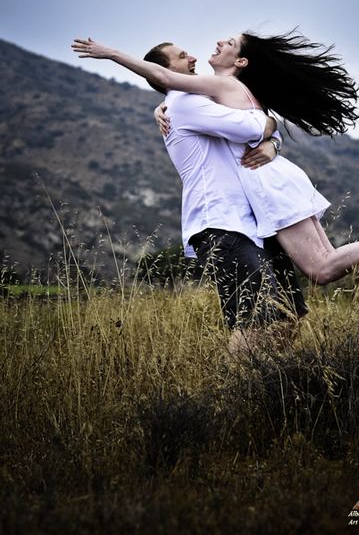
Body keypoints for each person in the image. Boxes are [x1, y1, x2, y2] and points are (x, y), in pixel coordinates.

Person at [72, 31, 359, 286]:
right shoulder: (221, 91)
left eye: (228, 44)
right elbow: (186, 96)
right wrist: (162, 106)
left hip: (268, 183)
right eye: (184, 54)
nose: (213, 45)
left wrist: (109, 53)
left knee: (322, 269)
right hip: (275, 175)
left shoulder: (220, 84)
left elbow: (171, 82)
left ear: (240, 62)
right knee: (323, 264)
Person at [72, 37, 308, 354]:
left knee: (288, 317)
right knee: (253, 322)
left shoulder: (196, 101)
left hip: (255, 223)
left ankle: (274, 390)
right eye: (183, 57)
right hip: (224, 225)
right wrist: (269, 123)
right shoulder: (185, 103)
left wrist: (273, 141)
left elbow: (258, 130)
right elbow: (251, 127)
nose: (193, 58)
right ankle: (234, 393)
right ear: (163, 72)